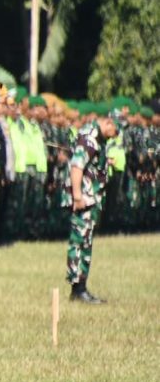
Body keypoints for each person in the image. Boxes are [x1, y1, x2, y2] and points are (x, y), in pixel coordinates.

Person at [65, 109, 119, 304]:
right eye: (115, 130)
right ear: (108, 123)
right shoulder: (90, 138)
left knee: (86, 242)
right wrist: (78, 196)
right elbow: (77, 166)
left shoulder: (98, 139)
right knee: (79, 242)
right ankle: (77, 289)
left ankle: (81, 286)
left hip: (91, 198)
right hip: (84, 200)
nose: (115, 135)